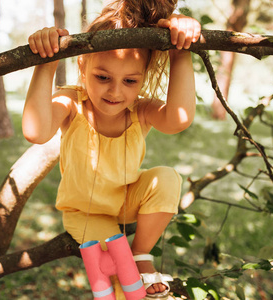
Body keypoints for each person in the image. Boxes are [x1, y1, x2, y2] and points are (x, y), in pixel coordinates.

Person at [23, 0, 200, 298]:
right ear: (82, 64)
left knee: (166, 178)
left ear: (142, 78)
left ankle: (142, 252)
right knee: (120, 278)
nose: (116, 92)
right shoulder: (72, 102)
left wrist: (180, 53)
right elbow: (36, 131)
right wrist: (46, 63)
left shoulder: (139, 109)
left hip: (126, 200)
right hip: (86, 212)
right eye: (102, 77)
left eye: (130, 81)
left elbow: (178, 119)